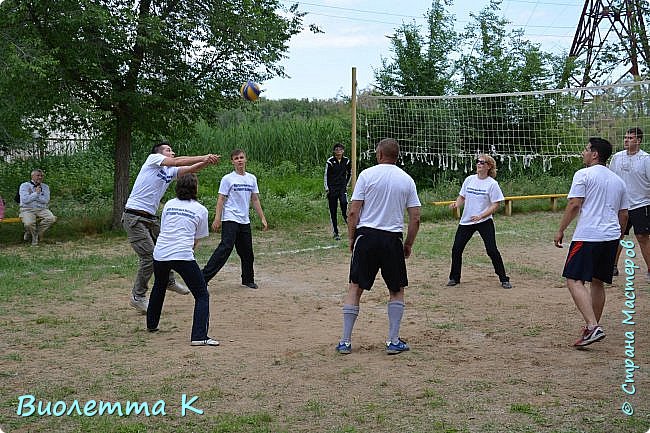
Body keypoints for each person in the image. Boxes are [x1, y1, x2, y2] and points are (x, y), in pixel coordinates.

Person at [335, 138, 421, 355]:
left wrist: (352, 238)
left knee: (355, 287)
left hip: (367, 237)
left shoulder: (367, 175)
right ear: (396, 156)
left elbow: (353, 211)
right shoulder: (407, 179)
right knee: (396, 289)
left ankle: (345, 341)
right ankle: (393, 341)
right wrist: (408, 244)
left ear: (380, 154)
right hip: (392, 239)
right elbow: (415, 218)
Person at [123, 142, 219, 314]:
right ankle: (137, 296)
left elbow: (189, 169)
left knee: (165, 249)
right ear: (159, 153)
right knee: (150, 257)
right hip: (134, 216)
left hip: (150, 219)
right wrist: (203, 155)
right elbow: (179, 161)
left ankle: (168, 281)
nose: (172, 152)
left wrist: (207, 162)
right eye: (169, 150)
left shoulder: (168, 171)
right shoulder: (152, 160)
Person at [554, 137, 628, 347]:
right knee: (597, 282)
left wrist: (560, 230)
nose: (583, 153)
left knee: (573, 279)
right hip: (611, 236)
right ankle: (591, 327)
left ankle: (593, 326)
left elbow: (575, 204)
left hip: (588, 236)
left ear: (595, 154)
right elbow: (624, 215)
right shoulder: (618, 180)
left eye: (586, 150)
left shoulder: (583, 174)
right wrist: (618, 238)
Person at [146, 173, 218, 346]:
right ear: (195, 189)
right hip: (181, 255)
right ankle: (199, 336)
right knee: (202, 294)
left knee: (159, 285)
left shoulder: (169, 204)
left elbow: (164, 229)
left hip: (160, 253)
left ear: (178, 188)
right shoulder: (201, 209)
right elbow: (196, 238)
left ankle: (151, 324)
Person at [202, 149, 268, 289]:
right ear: (232, 161)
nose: (239, 160)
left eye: (241, 157)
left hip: (244, 220)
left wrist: (262, 217)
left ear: (246, 159)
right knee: (225, 248)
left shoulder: (251, 178)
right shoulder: (228, 179)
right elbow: (221, 199)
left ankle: (248, 279)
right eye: (236, 158)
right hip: (230, 218)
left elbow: (255, 199)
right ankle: (203, 278)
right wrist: (217, 218)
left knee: (247, 252)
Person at [446, 155, 512, 289]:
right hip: (467, 221)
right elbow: (462, 196)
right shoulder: (469, 179)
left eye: (482, 162)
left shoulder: (492, 184)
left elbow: (495, 205)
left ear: (489, 166)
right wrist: (456, 204)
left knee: (492, 250)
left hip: (484, 221)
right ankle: (454, 278)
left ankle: (504, 278)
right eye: (478, 162)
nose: (479, 164)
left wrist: (481, 215)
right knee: (456, 249)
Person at [608, 127, 650, 281]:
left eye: (630, 138)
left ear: (638, 141)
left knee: (642, 237)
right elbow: (611, 178)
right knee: (616, 236)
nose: (626, 140)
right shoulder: (617, 157)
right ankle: (612, 266)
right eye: (625, 137)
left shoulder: (646, 159)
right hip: (621, 205)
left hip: (641, 204)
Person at [19, 169, 57, 246]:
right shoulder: (24, 185)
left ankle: (35, 234)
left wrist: (33, 195)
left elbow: (46, 200)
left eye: (41, 176)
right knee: (28, 223)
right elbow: (25, 200)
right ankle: (33, 236)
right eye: (38, 175)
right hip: (27, 209)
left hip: (41, 209)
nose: (40, 177)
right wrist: (37, 193)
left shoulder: (45, 187)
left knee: (52, 218)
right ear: (32, 176)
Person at [324, 143, 352, 240]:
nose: (338, 151)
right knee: (333, 210)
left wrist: (347, 184)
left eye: (340, 149)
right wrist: (327, 188)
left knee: (344, 204)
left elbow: (350, 173)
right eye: (337, 149)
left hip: (342, 188)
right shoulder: (330, 161)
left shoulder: (346, 161)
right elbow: (326, 176)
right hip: (332, 189)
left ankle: (350, 228)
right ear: (334, 151)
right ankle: (335, 232)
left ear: (343, 151)